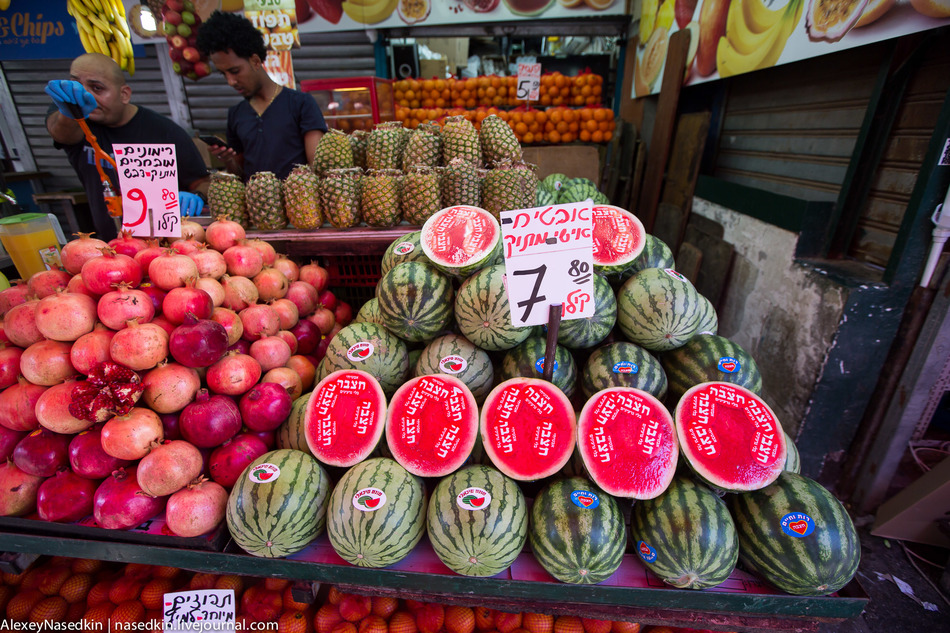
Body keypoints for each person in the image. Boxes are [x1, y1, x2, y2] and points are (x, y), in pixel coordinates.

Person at [45, 53, 210, 242]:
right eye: (77, 86)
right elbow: (61, 133)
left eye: (97, 88)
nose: (85, 96)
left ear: (124, 94)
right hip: (110, 243)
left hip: (165, 244)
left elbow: (203, 181)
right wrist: (70, 110)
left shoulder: (164, 131)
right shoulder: (76, 123)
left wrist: (195, 194)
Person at [196, 11, 326, 181]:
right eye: (223, 74)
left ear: (255, 61)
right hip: (256, 204)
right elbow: (240, 175)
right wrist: (228, 160)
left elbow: (317, 166)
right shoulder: (236, 114)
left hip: (298, 203)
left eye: (235, 71)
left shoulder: (301, 104)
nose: (230, 81)